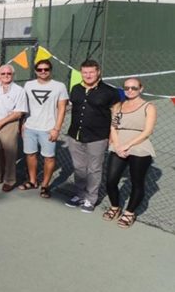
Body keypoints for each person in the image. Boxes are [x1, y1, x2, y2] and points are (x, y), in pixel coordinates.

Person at [65, 59, 119, 213]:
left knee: (94, 169)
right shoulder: (75, 88)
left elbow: (117, 112)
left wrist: (113, 133)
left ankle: (91, 199)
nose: (88, 75)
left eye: (91, 72)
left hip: (98, 137)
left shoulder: (110, 91)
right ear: (81, 73)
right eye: (85, 72)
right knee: (79, 168)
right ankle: (79, 194)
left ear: (98, 72)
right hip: (75, 135)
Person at [103, 77, 157, 229]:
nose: (130, 91)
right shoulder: (118, 106)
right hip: (118, 145)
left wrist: (128, 145)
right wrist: (118, 145)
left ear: (141, 89)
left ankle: (129, 212)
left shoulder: (149, 107)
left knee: (137, 182)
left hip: (139, 145)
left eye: (134, 88)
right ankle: (115, 207)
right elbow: (113, 128)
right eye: (127, 88)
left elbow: (147, 131)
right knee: (111, 180)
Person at [22, 59, 68, 197]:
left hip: (48, 128)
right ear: (35, 71)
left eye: (46, 69)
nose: (43, 72)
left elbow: (62, 108)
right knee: (30, 155)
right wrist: (23, 123)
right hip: (30, 126)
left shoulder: (59, 86)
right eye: (40, 69)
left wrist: (56, 129)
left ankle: (45, 185)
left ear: (50, 70)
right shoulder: (28, 85)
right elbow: (24, 105)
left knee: (49, 157)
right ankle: (32, 181)